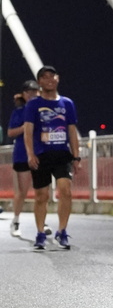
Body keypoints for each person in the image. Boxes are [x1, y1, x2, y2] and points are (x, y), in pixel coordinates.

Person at [23, 65, 81, 251]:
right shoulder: (33, 104)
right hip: (41, 155)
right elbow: (28, 131)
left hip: (62, 154)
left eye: (52, 76)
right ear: (39, 81)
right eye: (44, 77)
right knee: (42, 196)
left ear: (58, 79)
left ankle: (62, 231)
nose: (49, 80)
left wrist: (76, 156)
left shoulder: (67, 104)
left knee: (66, 190)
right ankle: (40, 233)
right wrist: (30, 154)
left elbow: (71, 131)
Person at [6, 79, 49, 236]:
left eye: (35, 92)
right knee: (22, 191)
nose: (32, 95)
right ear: (24, 94)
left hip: (40, 154)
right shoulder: (19, 112)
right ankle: (16, 221)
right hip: (22, 155)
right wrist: (25, 128)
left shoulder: (43, 110)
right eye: (29, 92)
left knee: (42, 191)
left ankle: (42, 222)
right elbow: (10, 132)